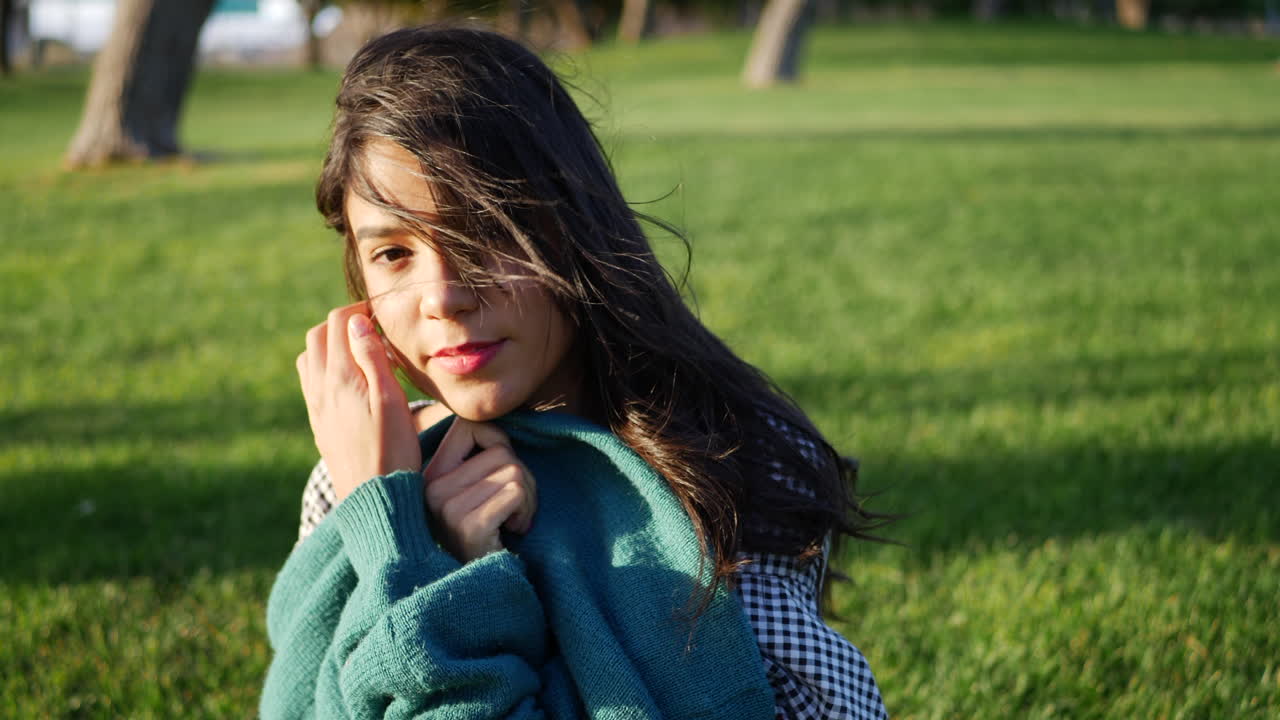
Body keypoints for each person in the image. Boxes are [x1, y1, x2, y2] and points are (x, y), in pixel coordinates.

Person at [261, 25, 889, 720]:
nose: (442, 296)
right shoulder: (357, 476)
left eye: (487, 231)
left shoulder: (730, 462)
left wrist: (418, 561)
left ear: (575, 226)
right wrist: (402, 532)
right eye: (394, 254)